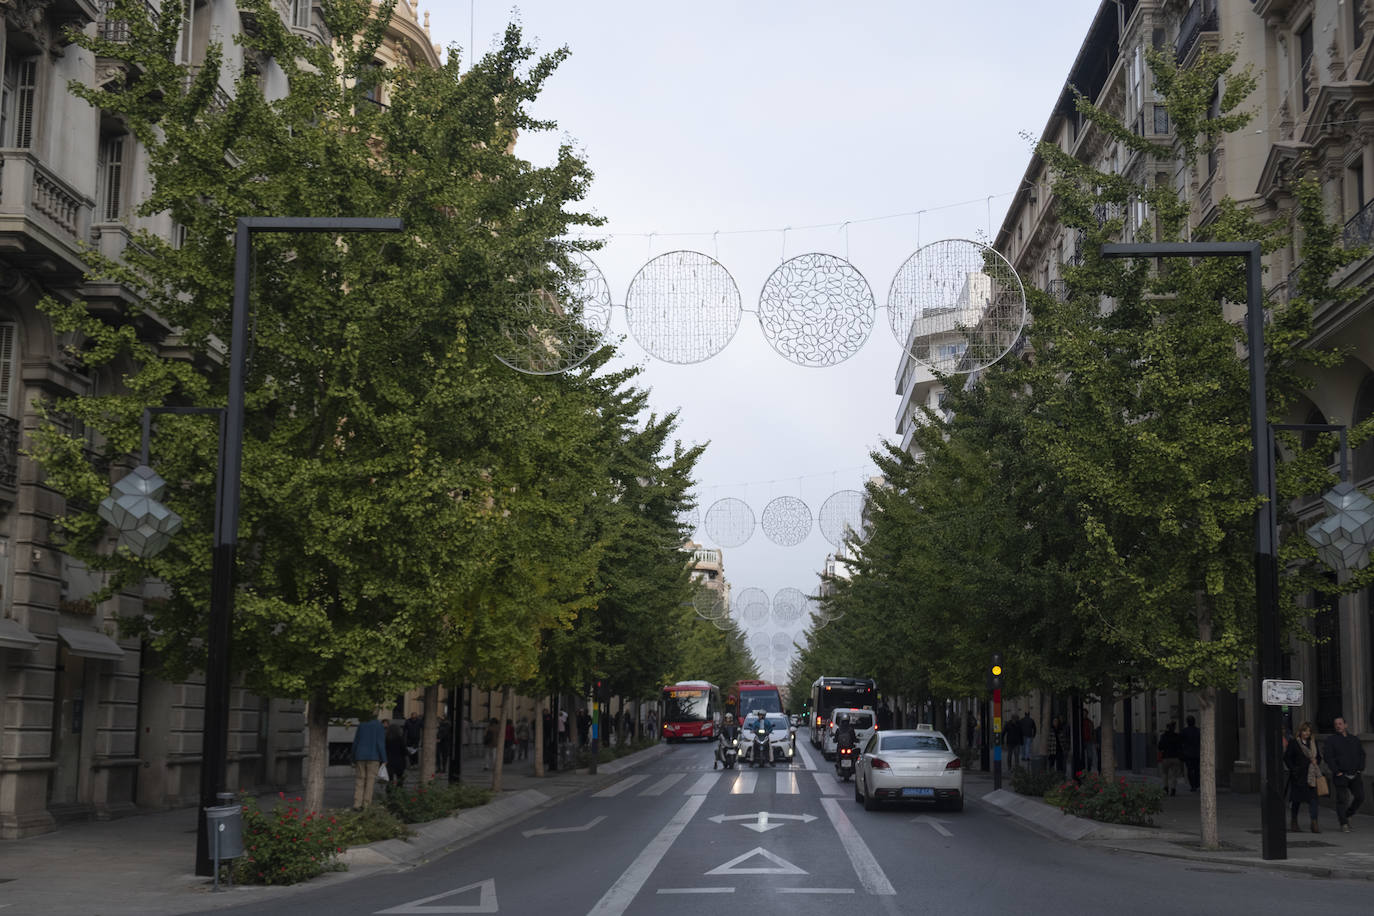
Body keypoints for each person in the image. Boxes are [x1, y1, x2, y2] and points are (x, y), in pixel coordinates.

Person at [1325, 716, 1366, 832]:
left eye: (1340, 723)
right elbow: (1328, 757)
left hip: (1355, 774)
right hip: (1341, 774)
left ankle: (1348, 814)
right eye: (1336, 724)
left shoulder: (1354, 739)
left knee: (1360, 796)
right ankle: (1343, 824)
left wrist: (1360, 769)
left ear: (1345, 725)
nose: (1338, 726)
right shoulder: (1331, 740)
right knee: (1342, 799)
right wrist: (1337, 771)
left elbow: (1362, 754)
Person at [1284, 720, 1324, 833]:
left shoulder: (1313, 743)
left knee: (1313, 800)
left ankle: (1314, 823)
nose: (1307, 733)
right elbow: (1287, 758)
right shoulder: (1294, 743)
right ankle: (1294, 822)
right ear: (1300, 731)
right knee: (1296, 800)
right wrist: (1293, 769)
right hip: (1299, 776)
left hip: (1311, 775)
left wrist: (1316, 761)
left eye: (1309, 731)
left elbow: (1319, 757)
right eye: (1305, 731)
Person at [351, 715, 387, 809]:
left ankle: (357, 803)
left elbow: (356, 742)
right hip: (373, 756)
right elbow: (380, 743)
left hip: (360, 755)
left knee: (360, 780)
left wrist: (353, 758)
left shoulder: (361, 725)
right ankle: (366, 804)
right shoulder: (379, 726)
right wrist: (384, 759)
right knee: (370, 781)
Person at [1158, 721, 1184, 796]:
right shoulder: (1177, 736)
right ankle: (1173, 789)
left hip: (1166, 757)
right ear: (1174, 728)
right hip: (1175, 757)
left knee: (1164, 774)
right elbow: (1180, 746)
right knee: (1174, 775)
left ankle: (1166, 788)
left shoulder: (1163, 736)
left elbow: (1160, 747)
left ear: (1167, 728)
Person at [1180, 715, 1202, 792]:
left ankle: (1193, 785)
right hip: (1196, 753)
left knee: (1190, 770)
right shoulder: (1198, 731)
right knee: (1196, 769)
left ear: (1187, 722)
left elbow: (1181, 742)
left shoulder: (1184, 731)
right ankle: (1197, 784)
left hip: (1188, 754)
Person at [386, 719, 409, 786]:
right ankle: (399, 792)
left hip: (389, 761)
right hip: (399, 761)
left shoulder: (386, 739)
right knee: (400, 778)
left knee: (389, 779)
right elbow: (404, 750)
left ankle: (389, 792)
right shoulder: (400, 739)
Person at [1081, 708, 1098, 774]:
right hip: (1082, 741)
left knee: (1090, 756)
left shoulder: (1090, 722)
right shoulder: (1080, 722)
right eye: (1083, 713)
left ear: (1087, 714)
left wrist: (1094, 740)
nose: (1084, 715)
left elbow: (1093, 732)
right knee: (1082, 755)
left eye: (1085, 713)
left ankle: (1088, 768)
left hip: (1089, 741)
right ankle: (1082, 769)